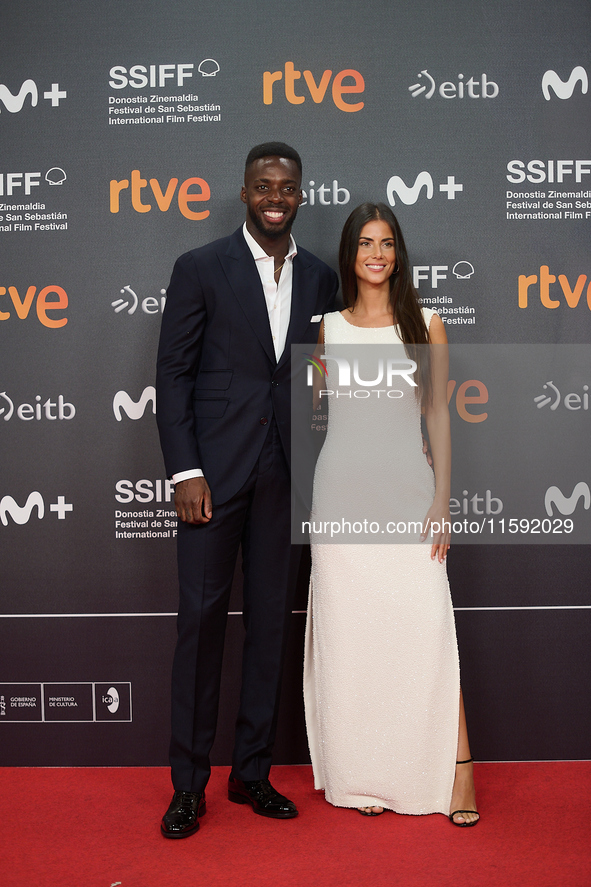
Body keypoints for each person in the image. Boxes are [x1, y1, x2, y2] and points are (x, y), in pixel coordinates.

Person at [156, 142, 338, 837]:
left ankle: (251, 772)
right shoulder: (200, 268)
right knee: (200, 627)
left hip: (285, 475)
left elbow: (319, 377)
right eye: (262, 185)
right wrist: (184, 470)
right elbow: (171, 375)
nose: (273, 196)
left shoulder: (320, 278)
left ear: (299, 196)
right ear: (243, 192)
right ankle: (188, 784)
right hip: (211, 476)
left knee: (268, 627)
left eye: (285, 187)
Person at [303, 202, 479, 825]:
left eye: (386, 243)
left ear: (398, 253)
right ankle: (364, 776)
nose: (376, 254)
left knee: (426, 632)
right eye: (364, 244)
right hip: (341, 498)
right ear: (350, 254)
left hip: (409, 497)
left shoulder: (426, 324)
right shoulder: (326, 328)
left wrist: (442, 500)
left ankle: (459, 774)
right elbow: (316, 408)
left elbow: (437, 417)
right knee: (354, 640)